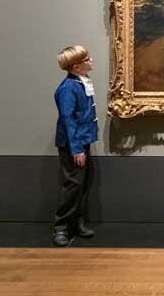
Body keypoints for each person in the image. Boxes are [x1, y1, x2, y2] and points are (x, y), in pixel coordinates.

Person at [52, 45, 99, 247]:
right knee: (72, 186)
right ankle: (61, 228)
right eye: (87, 59)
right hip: (74, 144)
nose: (91, 61)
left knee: (82, 185)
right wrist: (76, 149)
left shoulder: (81, 83)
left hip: (83, 140)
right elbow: (67, 120)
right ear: (77, 65)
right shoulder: (68, 88)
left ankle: (76, 223)